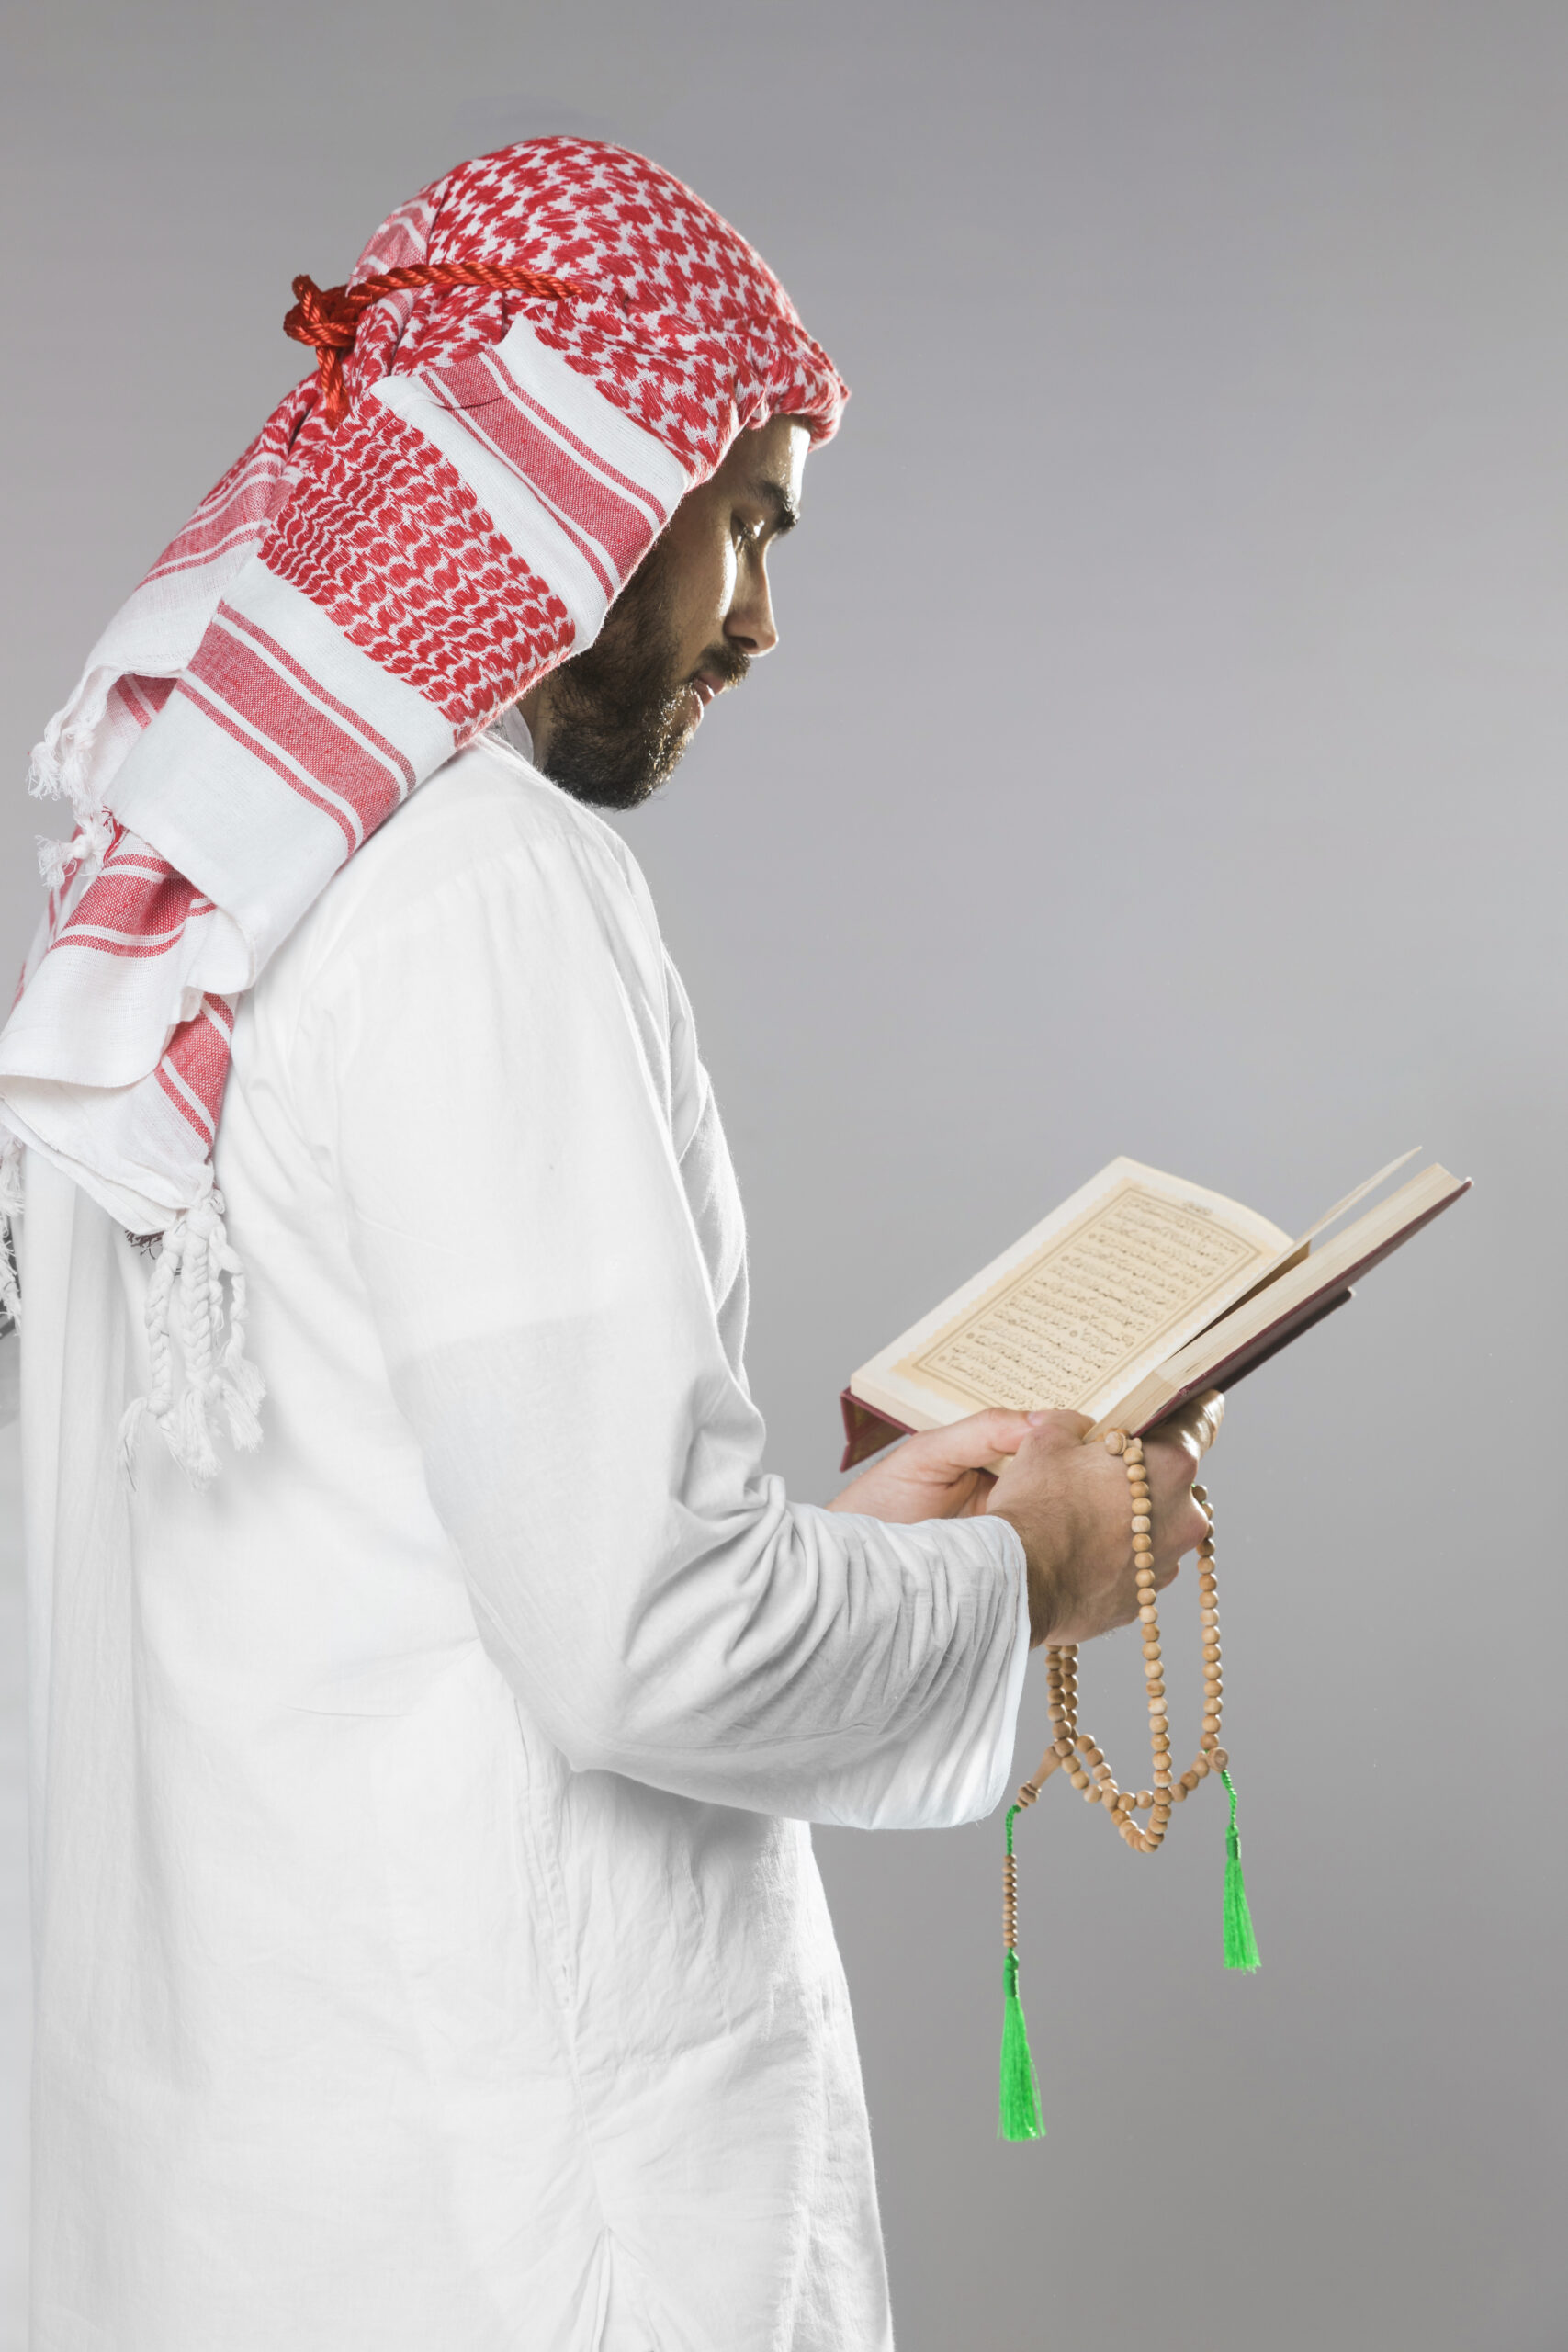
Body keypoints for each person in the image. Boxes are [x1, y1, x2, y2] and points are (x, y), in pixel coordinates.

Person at [0, 140, 1209, 2349]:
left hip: (233, 2192)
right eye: (737, 516)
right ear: (570, 476)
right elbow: (644, 1646)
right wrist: (1038, 1560)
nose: (758, 618)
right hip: (505, 2211)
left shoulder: (183, 899)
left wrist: (841, 1535)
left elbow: (411, 1566)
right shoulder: (479, 890)